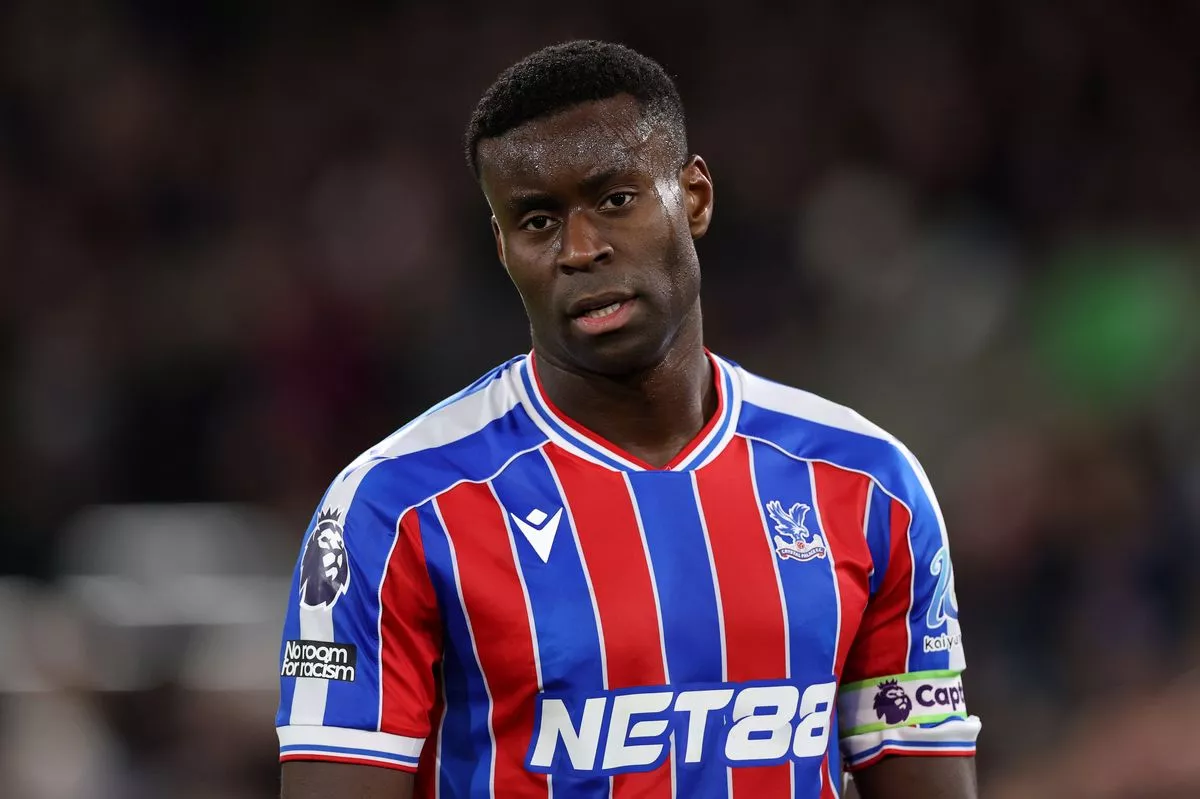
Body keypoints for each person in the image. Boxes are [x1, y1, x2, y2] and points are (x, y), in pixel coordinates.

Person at [276, 40, 980, 799]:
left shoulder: (867, 483)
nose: (580, 250)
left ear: (695, 198)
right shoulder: (395, 509)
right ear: (504, 248)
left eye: (615, 200)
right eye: (537, 221)